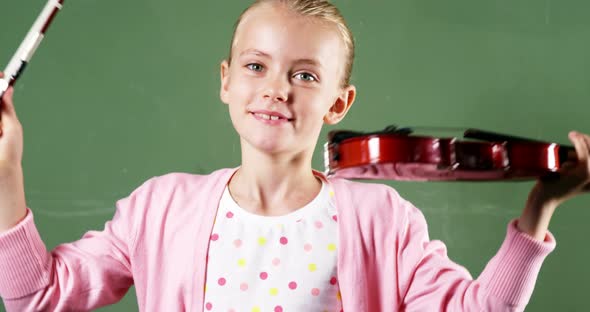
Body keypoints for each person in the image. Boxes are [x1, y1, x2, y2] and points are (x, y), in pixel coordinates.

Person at [0, 0, 589, 311]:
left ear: (340, 103)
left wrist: (539, 212)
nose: (276, 88)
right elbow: (35, 297)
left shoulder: (382, 219)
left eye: (305, 75)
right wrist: (6, 170)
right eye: (256, 66)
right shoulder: (159, 208)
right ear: (226, 80)